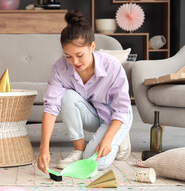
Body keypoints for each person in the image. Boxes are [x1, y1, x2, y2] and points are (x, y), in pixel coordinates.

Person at [37, 10, 132, 173]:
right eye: (68, 56)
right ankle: (79, 150)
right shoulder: (60, 68)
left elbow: (121, 109)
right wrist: (43, 149)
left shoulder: (112, 67)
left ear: (92, 47)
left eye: (79, 55)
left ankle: (120, 138)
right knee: (66, 96)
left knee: (98, 164)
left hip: (116, 117)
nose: (74, 62)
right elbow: (51, 109)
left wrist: (108, 140)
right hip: (93, 114)